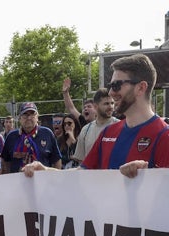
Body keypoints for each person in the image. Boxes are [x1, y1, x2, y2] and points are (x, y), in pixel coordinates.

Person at [24, 53, 169, 178]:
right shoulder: (109, 132)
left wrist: (146, 177)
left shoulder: (164, 135)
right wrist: (45, 171)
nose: (111, 93)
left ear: (141, 88)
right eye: (110, 85)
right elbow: (82, 173)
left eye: (117, 85)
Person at [1, 102, 62, 173]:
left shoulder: (47, 133)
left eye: (32, 114)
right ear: (19, 118)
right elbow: (5, 161)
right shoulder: (12, 136)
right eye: (25, 115)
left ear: (37, 117)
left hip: (43, 180)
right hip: (18, 180)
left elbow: (56, 160)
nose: (29, 118)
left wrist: (55, 178)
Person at [71, 88, 120, 163]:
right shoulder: (86, 130)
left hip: (115, 173)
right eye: (106, 104)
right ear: (96, 106)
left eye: (112, 103)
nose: (110, 107)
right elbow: (81, 161)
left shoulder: (121, 127)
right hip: (91, 174)